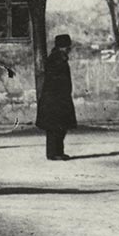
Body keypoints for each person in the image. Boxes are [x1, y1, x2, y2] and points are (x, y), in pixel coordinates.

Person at [37, 33, 77, 161]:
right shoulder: (58, 59)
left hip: (56, 98)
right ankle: (54, 153)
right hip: (56, 99)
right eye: (67, 46)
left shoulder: (57, 58)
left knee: (58, 127)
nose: (69, 49)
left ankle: (57, 152)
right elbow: (58, 81)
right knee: (56, 127)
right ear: (63, 47)